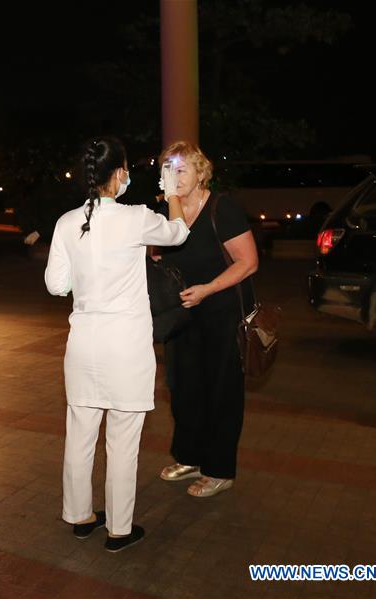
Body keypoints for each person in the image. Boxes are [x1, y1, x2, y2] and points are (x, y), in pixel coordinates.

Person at [45, 137, 189, 551]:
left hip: (84, 345)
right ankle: (119, 529)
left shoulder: (67, 222)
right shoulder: (136, 217)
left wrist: (84, 274)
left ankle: (80, 516)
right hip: (125, 346)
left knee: (80, 434)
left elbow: (57, 285)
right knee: (123, 442)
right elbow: (178, 233)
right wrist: (173, 194)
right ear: (121, 173)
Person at [155, 141, 259, 498]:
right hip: (181, 316)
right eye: (169, 169)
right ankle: (190, 457)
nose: (175, 175)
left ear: (202, 172)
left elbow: (248, 262)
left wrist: (208, 289)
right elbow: (160, 254)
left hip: (219, 313)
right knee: (183, 389)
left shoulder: (221, 208)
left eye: (182, 168)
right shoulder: (168, 209)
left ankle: (219, 468)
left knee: (220, 391)